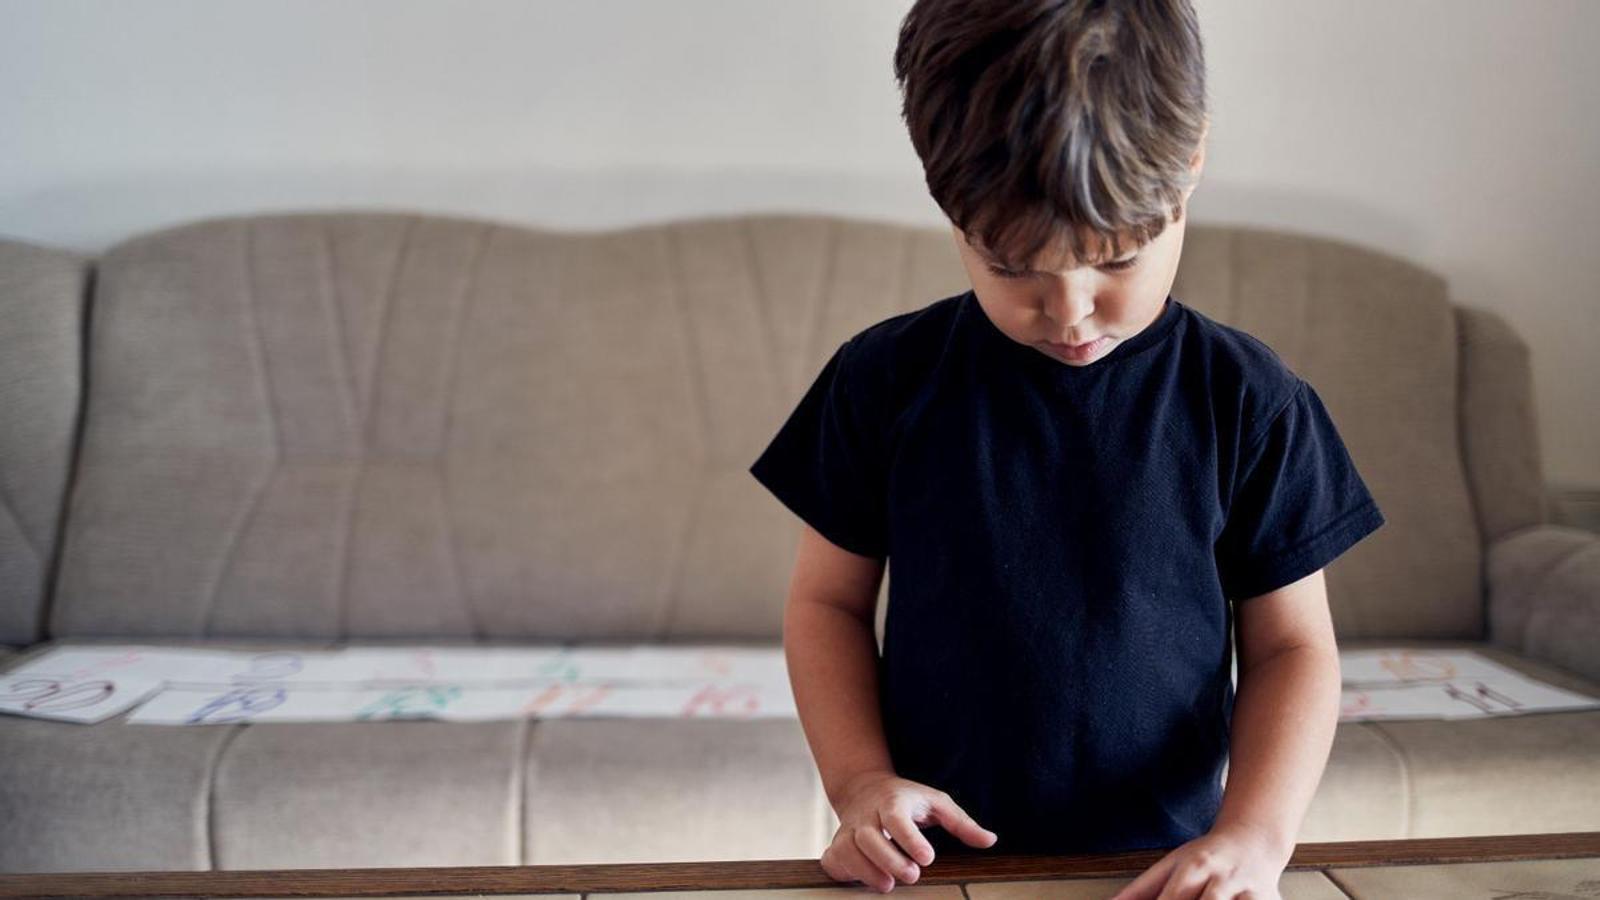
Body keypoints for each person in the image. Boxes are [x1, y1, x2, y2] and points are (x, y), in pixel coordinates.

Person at [748, 1, 1385, 897]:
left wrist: (1255, 835)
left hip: (1165, 872)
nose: (1072, 312)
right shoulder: (881, 381)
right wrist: (859, 785)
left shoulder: (1250, 401)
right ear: (945, 202)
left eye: (1118, 261)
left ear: (1191, 165)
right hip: (930, 867)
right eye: (1013, 268)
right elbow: (827, 605)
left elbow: (1291, 648)